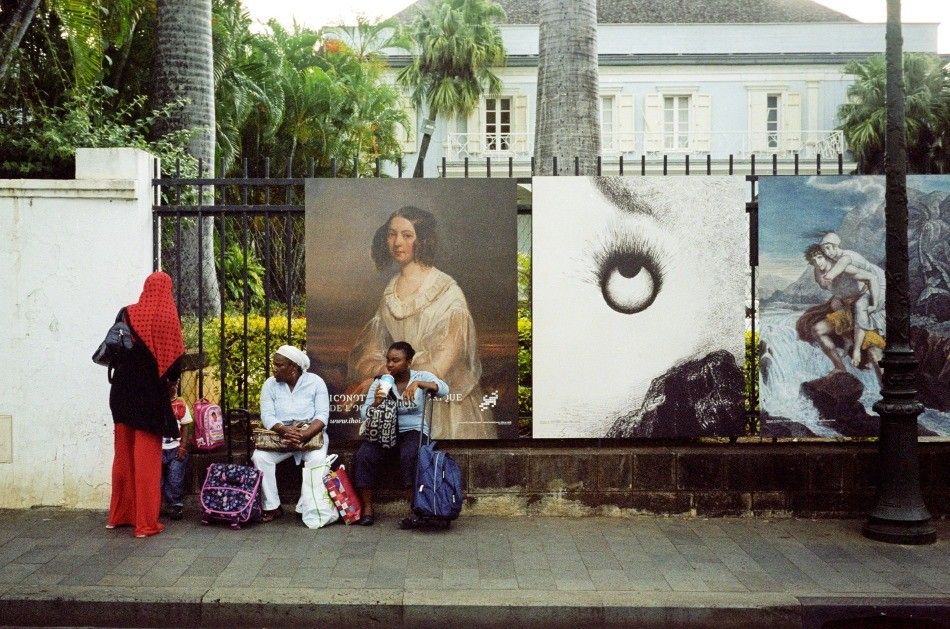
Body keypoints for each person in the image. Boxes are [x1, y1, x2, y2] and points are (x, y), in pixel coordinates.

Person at [347, 206, 494, 439]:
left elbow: (439, 368)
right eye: (391, 234)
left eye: (407, 235)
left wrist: (384, 376)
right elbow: (369, 353)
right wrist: (379, 373)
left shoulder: (448, 293)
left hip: (442, 406)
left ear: (422, 240)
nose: (397, 242)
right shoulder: (390, 293)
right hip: (399, 398)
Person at [107, 271, 185, 538]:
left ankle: (120, 516)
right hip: (150, 394)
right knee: (147, 460)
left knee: (123, 455)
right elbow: (175, 361)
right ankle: (145, 524)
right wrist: (171, 382)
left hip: (121, 391)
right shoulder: (168, 316)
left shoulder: (126, 312)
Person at [353, 341, 449, 529]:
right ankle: (367, 508)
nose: (390, 365)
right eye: (388, 360)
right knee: (364, 455)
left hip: (413, 429)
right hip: (383, 431)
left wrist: (419, 384)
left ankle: (415, 508)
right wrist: (377, 403)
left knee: (410, 454)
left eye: (396, 361)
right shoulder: (381, 382)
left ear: (409, 362)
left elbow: (444, 390)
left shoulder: (422, 377)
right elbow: (364, 414)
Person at [252, 345, 329, 522]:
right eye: (274, 364)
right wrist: (285, 430)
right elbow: (267, 415)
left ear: (293, 367)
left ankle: (305, 506)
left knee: (317, 459)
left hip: (310, 436)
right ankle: (272, 506)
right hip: (280, 436)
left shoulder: (316, 382)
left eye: (279, 365)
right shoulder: (269, 384)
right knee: (260, 458)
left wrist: (304, 434)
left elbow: (322, 416)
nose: (274, 368)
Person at [800, 244, 884, 380]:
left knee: (874, 352)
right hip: (846, 309)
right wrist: (838, 300)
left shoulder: (845, 269)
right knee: (817, 330)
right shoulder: (818, 273)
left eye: (820, 257)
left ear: (826, 256)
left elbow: (871, 278)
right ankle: (840, 367)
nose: (818, 262)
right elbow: (835, 288)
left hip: (863, 307)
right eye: (813, 261)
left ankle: (888, 392)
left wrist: (874, 304)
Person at [818, 233, 886, 370]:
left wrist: (875, 303)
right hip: (865, 283)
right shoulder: (837, 260)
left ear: (836, 245)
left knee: (862, 308)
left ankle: (856, 351)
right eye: (824, 249)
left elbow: (871, 278)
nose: (826, 251)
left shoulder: (845, 258)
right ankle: (848, 339)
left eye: (828, 247)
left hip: (878, 283)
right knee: (836, 305)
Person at [162, 381, 192, 521]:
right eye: (168, 386)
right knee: (159, 479)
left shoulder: (180, 403)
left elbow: (186, 426)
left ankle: (176, 504)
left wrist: (183, 446)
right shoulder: (157, 402)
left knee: (175, 477)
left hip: (175, 448)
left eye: (174, 385)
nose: (172, 388)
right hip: (159, 448)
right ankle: (162, 504)